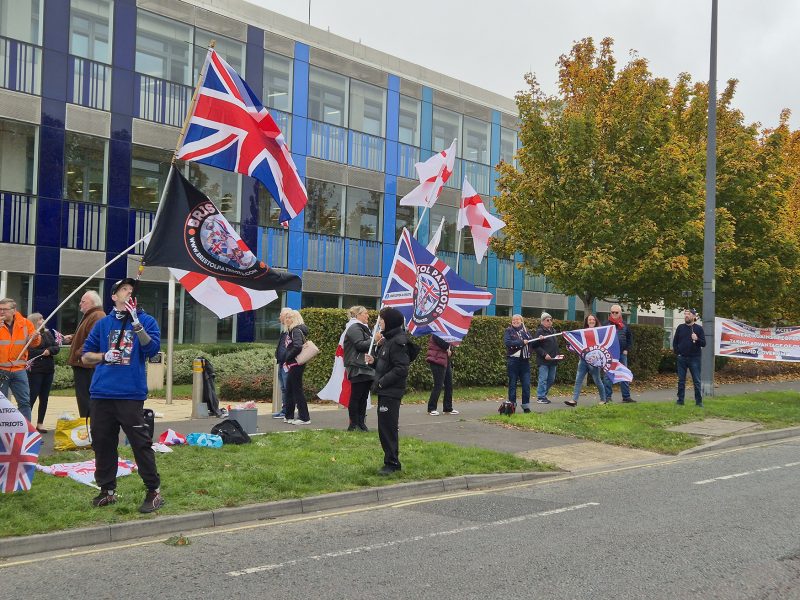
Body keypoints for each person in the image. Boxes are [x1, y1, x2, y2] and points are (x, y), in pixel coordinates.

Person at [80, 278, 163, 513]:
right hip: (101, 393)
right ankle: (107, 490)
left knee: (140, 443)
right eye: (123, 290)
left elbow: (152, 350)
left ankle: (154, 491)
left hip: (130, 393)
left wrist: (137, 325)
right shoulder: (103, 324)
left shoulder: (146, 321)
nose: (128, 293)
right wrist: (104, 356)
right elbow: (85, 356)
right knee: (103, 443)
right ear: (114, 297)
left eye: (131, 290)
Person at [371, 307, 410, 475]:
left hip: (390, 391)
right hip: (385, 390)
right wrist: (374, 361)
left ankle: (392, 463)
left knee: (388, 428)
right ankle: (390, 460)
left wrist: (381, 382)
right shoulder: (389, 340)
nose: (379, 322)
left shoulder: (398, 341)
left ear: (390, 321)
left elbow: (401, 368)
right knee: (384, 427)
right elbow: (387, 364)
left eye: (382, 319)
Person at [64, 290, 105, 418]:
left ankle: (89, 426)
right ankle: (87, 425)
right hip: (83, 364)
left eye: (83, 301)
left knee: (85, 399)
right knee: (83, 399)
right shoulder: (91, 315)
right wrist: (73, 337)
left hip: (86, 365)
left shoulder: (97, 316)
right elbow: (88, 334)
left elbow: (93, 339)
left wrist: (78, 353)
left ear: (92, 303)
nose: (80, 304)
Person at [0, 297, 38, 422]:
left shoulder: (25, 323)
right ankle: (3, 436)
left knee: (24, 402)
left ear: (14, 310)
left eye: (5, 309)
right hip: (1, 370)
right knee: (2, 405)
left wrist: (36, 338)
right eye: (0, 309)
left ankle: (26, 435)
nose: (1, 312)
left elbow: (34, 344)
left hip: (19, 370)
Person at [27, 313, 60, 433]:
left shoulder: (47, 333)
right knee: (32, 396)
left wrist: (49, 351)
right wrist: (43, 352)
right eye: (40, 319)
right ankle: (26, 423)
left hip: (48, 369)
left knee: (44, 398)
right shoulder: (30, 336)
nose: (43, 320)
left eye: (42, 318)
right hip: (35, 370)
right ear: (35, 321)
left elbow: (56, 348)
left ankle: (40, 423)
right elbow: (29, 351)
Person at [343, 305, 374, 431]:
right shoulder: (354, 328)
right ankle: (354, 424)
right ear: (358, 315)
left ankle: (361, 423)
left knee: (364, 396)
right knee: (356, 395)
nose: (368, 315)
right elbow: (360, 345)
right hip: (357, 366)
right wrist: (374, 340)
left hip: (365, 366)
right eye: (365, 313)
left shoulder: (363, 328)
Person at [565, 313, 606, 407]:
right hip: (583, 360)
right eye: (589, 320)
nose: (591, 321)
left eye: (593, 320)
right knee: (578, 380)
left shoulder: (599, 332)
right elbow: (576, 344)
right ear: (587, 322)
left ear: (595, 321)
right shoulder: (582, 332)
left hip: (594, 361)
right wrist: (569, 341)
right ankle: (574, 400)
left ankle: (603, 399)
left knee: (597, 380)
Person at [282, 309, 311, 425]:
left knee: (297, 390)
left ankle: (304, 417)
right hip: (294, 364)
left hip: (296, 364)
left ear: (296, 319)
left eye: (290, 317)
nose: (287, 319)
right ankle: (289, 415)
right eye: (287, 317)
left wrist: (288, 356)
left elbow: (298, 346)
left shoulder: (296, 330)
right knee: (290, 389)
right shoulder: (292, 331)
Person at [673, 308, 706, 407]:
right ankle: (680, 400)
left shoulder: (698, 329)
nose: (686, 315)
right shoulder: (680, 327)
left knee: (696, 380)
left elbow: (704, 343)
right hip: (682, 358)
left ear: (694, 316)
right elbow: (675, 342)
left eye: (689, 314)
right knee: (681, 380)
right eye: (685, 314)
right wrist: (677, 352)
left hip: (694, 358)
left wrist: (697, 339)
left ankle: (699, 402)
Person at [603, 304, 635, 403]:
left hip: (622, 354)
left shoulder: (625, 325)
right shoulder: (606, 324)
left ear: (620, 313)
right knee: (608, 375)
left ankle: (626, 397)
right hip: (610, 355)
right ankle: (607, 397)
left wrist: (627, 349)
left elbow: (630, 339)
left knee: (623, 375)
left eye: (616, 312)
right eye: (612, 312)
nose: (614, 314)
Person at [504, 314, 534, 412]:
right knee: (512, 384)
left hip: (525, 361)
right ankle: (512, 406)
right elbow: (508, 343)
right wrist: (521, 342)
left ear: (521, 321)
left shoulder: (526, 331)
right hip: (513, 361)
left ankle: (526, 406)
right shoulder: (509, 331)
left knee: (526, 384)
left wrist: (540, 339)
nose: (515, 321)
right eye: (513, 320)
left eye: (517, 319)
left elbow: (532, 342)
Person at [531, 312, 561, 405]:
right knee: (543, 379)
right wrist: (544, 354)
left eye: (551, 320)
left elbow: (554, 345)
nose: (549, 321)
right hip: (543, 360)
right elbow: (534, 345)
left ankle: (543, 395)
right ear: (542, 321)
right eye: (547, 320)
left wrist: (557, 355)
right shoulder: (540, 331)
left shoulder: (553, 331)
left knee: (551, 380)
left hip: (553, 360)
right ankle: (540, 397)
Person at [426, 335, 457, 416]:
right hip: (437, 361)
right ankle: (431, 408)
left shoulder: (444, 334)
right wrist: (450, 341)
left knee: (449, 385)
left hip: (445, 361)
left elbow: (447, 348)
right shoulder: (437, 334)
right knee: (438, 385)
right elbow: (444, 345)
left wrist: (450, 350)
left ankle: (448, 408)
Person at [272, 307, 292, 419]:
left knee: (287, 388)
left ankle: (287, 411)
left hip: (286, 363)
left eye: (281, 315)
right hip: (281, 362)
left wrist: (285, 358)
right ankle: (285, 410)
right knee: (284, 388)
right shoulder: (284, 330)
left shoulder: (290, 331)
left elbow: (289, 347)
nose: (279, 317)